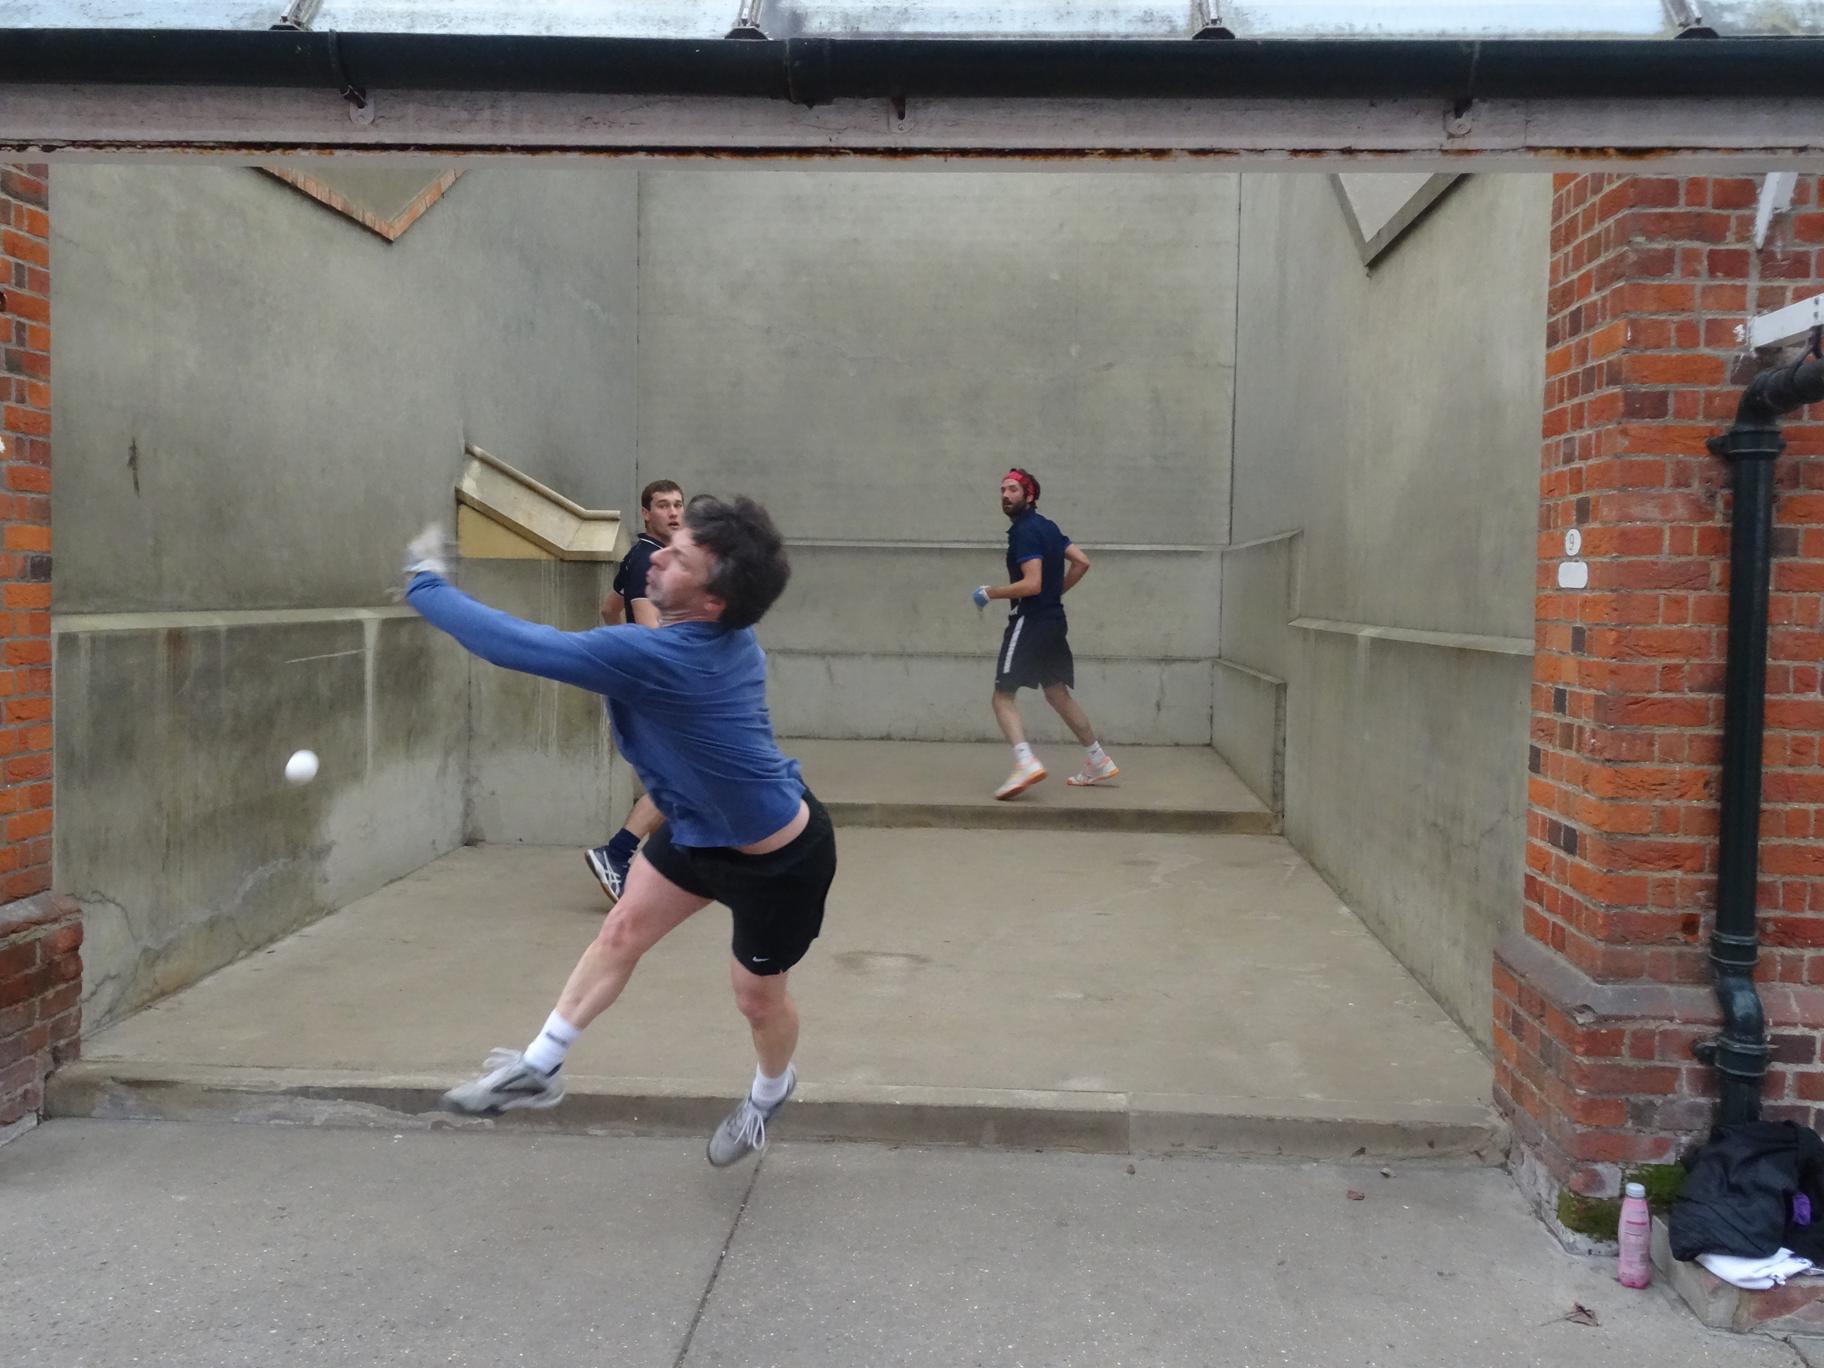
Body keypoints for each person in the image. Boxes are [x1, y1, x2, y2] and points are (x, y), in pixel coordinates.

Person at [401, 495, 836, 1168]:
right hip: (693, 831)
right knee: (621, 930)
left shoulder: (659, 660)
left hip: (777, 863)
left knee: (757, 1001)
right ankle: (539, 1067)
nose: (656, 555)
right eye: (670, 541)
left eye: (679, 555)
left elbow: (514, 645)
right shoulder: (719, 634)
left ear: (714, 601)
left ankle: (769, 1094)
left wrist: (426, 583)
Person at [971, 467, 1118, 800]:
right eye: (1002, 491)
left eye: (1012, 490)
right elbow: (1081, 562)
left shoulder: (1024, 531)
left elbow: (1032, 583)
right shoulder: (1048, 526)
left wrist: (989, 592)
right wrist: (1056, 594)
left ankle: (1025, 763)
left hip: (1029, 620)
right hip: (1053, 621)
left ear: (1030, 495)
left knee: (1002, 697)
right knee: (1057, 693)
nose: (1006, 496)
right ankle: (1098, 759)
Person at [586, 478, 685, 903]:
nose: (674, 513)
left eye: (678, 504)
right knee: (677, 779)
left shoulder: (640, 555)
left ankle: (674, 868)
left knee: (675, 780)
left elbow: (610, 609)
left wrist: (625, 655)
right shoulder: (649, 561)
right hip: (656, 689)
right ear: (646, 513)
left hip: (641, 685)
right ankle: (617, 852)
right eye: (663, 506)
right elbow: (652, 634)